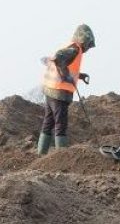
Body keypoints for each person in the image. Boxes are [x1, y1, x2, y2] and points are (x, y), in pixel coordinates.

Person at [36, 24, 95, 155]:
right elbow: (59, 58)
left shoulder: (70, 46)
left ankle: (41, 153)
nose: (87, 48)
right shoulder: (74, 49)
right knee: (60, 124)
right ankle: (61, 156)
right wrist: (65, 75)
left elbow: (65, 65)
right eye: (88, 44)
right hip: (59, 93)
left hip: (51, 90)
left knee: (49, 121)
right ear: (84, 39)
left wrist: (79, 76)